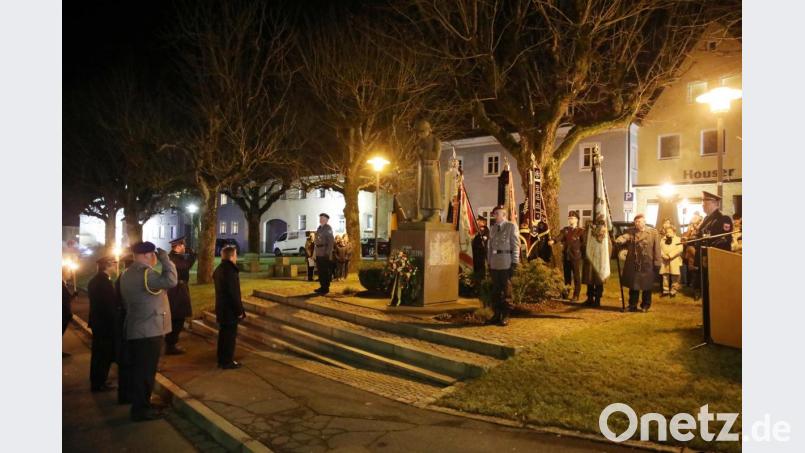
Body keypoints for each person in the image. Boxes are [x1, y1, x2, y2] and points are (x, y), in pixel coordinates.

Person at [118, 241, 177, 422]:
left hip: (138, 328)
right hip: (148, 331)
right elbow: (171, 280)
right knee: (145, 373)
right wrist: (166, 260)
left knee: (140, 371)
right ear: (147, 255)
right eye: (153, 255)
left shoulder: (127, 273)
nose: (154, 259)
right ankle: (141, 410)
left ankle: (143, 403)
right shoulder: (146, 274)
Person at [615, 214, 662, 312]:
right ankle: (632, 305)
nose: (637, 223)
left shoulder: (653, 233)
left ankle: (645, 305)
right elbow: (625, 237)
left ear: (644, 222)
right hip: (634, 262)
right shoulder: (631, 232)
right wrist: (619, 240)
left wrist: (657, 262)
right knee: (634, 285)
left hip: (647, 262)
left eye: (639, 221)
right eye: (636, 222)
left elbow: (657, 248)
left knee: (647, 286)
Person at [88, 256, 119, 392]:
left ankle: (96, 380)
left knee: (98, 353)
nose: (115, 266)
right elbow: (108, 306)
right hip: (105, 324)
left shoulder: (94, 280)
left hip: (97, 322)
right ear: (107, 266)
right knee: (103, 354)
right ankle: (99, 382)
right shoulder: (104, 283)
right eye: (113, 264)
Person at [486, 206, 520, 326]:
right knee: (495, 291)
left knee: (506, 290)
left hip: (506, 262)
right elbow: (490, 247)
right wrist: (489, 262)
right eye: (494, 214)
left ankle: (505, 315)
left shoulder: (511, 226)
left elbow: (515, 246)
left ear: (503, 215)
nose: (494, 216)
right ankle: (496, 314)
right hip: (495, 262)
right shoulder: (493, 228)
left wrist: (515, 262)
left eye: (497, 213)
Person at [214, 246, 245, 369]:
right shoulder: (230, 271)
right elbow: (234, 294)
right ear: (232, 256)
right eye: (236, 254)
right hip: (229, 311)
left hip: (222, 308)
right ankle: (227, 361)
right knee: (229, 337)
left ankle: (222, 359)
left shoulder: (220, 269)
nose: (236, 257)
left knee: (223, 336)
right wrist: (239, 311)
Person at [165, 236, 196, 355]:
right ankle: (170, 344)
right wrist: (192, 255)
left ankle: (171, 342)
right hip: (176, 291)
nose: (185, 247)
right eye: (183, 245)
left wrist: (191, 254)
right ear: (178, 246)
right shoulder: (173, 258)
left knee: (178, 317)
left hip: (179, 289)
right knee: (177, 317)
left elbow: (186, 265)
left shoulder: (175, 257)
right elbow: (186, 265)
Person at [414, 119, 442, 222]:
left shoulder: (436, 141)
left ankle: (435, 213)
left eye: (421, 132)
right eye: (418, 132)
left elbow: (436, 156)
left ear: (427, 130)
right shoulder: (419, 142)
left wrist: (422, 152)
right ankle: (423, 212)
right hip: (422, 168)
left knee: (433, 191)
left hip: (432, 168)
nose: (419, 135)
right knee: (423, 191)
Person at [559, 211, 585, 301]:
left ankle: (576, 295)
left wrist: (583, 255)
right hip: (567, 256)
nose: (570, 220)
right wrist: (554, 241)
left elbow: (583, 244)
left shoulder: (581, 231)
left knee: (576, 276)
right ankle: (566, 293)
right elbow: (560, 236)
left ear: (577, 220)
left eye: (572, 218)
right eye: (569, 218)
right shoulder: (565, 230)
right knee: (567, 276)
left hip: (576, 256)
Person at [582, 223, 609, 307]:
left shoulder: (604, 236)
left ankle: (597, 299)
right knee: (589, 280)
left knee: (598, 281)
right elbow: (584, 244)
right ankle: (590, 298)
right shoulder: (588, 234)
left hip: (599, 260)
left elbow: (608, 247)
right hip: (590, 260)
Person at [659, 226, 683, 298]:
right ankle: (665, 290)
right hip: (664, 260)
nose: (668, 233)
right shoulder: (662, 239)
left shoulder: (678, 239)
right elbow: (659, 248)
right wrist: (663, 255)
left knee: (674, 276)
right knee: (665, 276)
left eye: (670, 231)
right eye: (667, 231)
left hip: (674, 260)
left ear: (674, 232)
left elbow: (680, 249)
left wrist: (670, 255)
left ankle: (673, 291)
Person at [314, 213, 335, 294]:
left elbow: (331, 241)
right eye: (320, 218)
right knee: (320, 271)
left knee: (325, 271)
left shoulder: (328, 228)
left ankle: (326, 288)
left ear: (326, 220)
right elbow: (317, 241)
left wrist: (328, 253)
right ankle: (322, 286)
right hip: (319, 252)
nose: (320, 219)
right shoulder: (319, 228)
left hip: (324, 252)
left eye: (322, 218)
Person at [682, 212, 703, 291]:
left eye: (696, 217)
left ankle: (698, 288)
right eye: (693, 217)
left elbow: (701, 235)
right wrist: (685, 238)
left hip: (698, 249)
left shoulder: (702, 225)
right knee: (692, 269)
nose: (694, 218)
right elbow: (686, 237)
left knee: (698, 269)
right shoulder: (690, 227)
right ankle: (693, 288)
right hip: (691, 250)